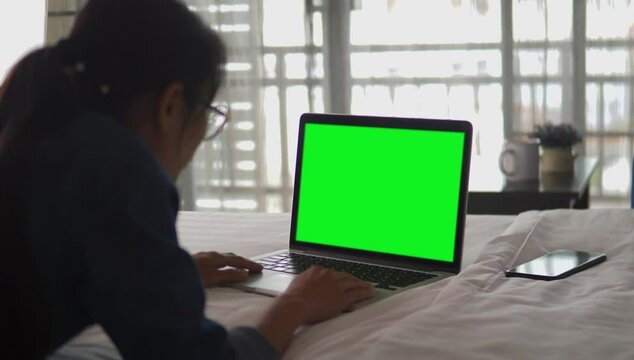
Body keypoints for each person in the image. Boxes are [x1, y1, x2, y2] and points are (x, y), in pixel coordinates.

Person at [0, 0, 374, 359]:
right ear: (171, 103)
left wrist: (162, 277)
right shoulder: (119, 167)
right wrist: (296, 305)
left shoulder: (33, 128)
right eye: (206, 112)